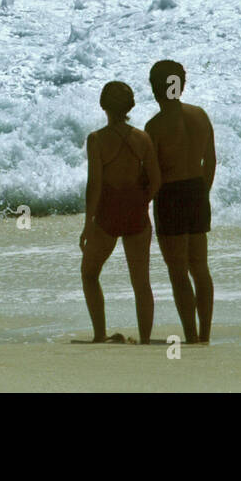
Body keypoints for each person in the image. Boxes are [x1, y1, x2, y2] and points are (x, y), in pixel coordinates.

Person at [80, 81, 161, 344]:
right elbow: (156, 180)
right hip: (136, 212)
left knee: (90, 273)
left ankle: (100, 335)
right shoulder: (142, 138)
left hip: (108, 213)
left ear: (103, 105)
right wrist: (142, 201)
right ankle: (146, 340)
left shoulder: (96, 140)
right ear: (130, 107)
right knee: (141, 283)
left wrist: (88, 224)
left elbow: (95, 185)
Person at [145, 60, 215, 344]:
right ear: (181, 84)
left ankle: (191, 335)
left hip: (171, 195)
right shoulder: (199, 115)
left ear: (155, 89)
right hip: (198, 190)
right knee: (200, 267)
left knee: (177, 271)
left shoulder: (155, 126)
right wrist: (203, 191)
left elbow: (153, 175)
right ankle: (205, 334)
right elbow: (210, 160)